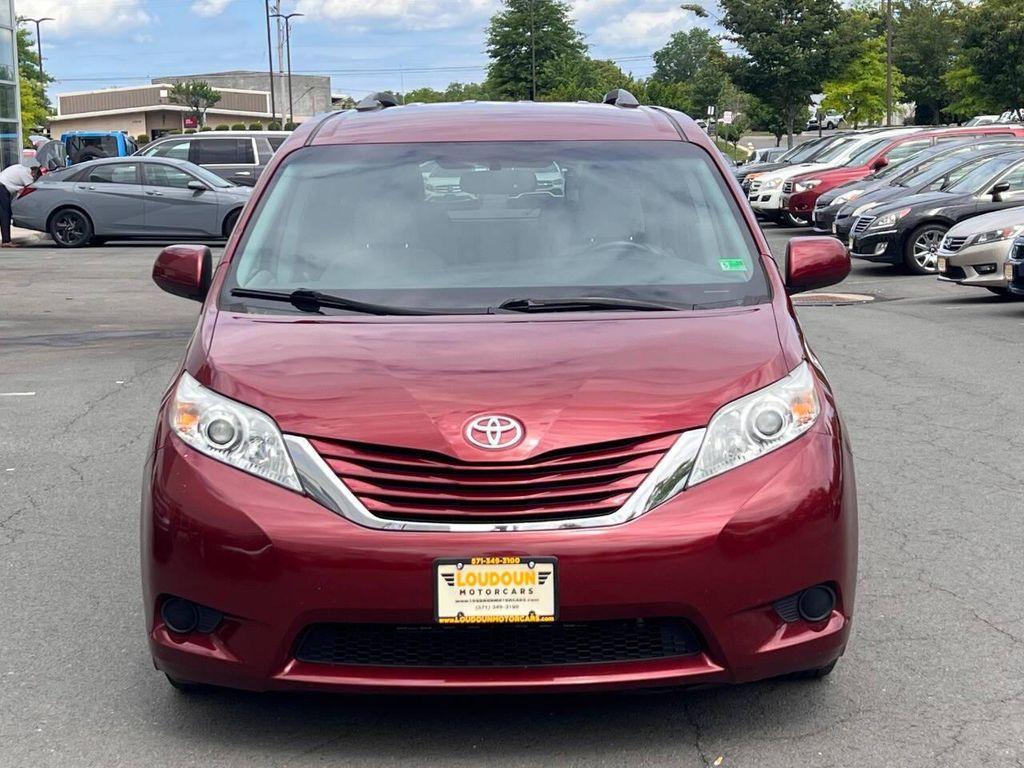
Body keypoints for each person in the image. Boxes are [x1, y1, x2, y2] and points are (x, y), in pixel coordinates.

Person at [0, 160, 41, 248]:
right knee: (5, 215)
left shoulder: (21, 168)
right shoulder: (27, 175)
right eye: (35, 178)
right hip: (2, 189)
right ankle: (6, 241)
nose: (34, 179)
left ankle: (6, 240)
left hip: (2, 186)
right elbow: (31, 189)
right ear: (33, 174)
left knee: (3, 214)